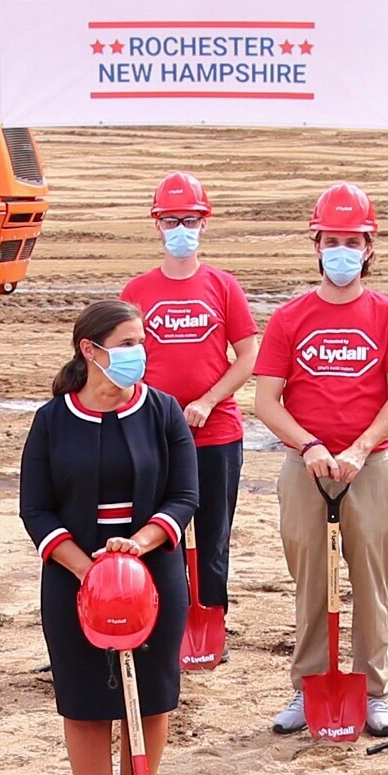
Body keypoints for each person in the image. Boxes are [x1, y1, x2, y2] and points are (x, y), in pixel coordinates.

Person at [19, 300, 198, 775]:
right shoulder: (51, 420)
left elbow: (185, 497)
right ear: (90, 351)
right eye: (124, 343)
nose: (136, 353)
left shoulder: (164, 412)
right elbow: (36, 509)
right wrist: (86, 567)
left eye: (140, 341)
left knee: (147, 701)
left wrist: (139, 546)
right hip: (75, 580)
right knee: (87, 705)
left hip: (154, 576)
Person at [255, 181, 388, 737]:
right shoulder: (289, 317)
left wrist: (359, 448)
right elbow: (265, 400)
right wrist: (310, 446)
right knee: (311, 583)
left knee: (371, 580)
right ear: (317, 244)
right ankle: (308, 688)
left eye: (353, 239)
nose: (342, 249)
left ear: (370, 247)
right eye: (332, 239)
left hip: (368, 468)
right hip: (306, 469)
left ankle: (375, 692)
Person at [122, 170, 258, 640]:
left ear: (204, 223)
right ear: (156, 224)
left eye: (190, 220)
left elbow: (248, 356)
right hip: (154, 435)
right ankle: (165, 621)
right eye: (171, 220)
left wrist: (207, 401)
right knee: (161, 532)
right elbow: (123, 360)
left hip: (216, 432)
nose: (181, 229)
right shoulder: (137, 291)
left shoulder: (223, 286)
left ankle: (211, 620)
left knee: (213, 534)